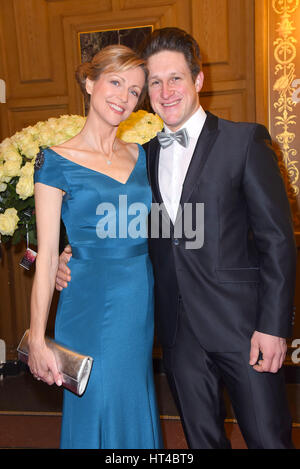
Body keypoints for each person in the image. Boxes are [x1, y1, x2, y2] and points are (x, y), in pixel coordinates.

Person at [56, 28, 297, 449]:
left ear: (198, 80)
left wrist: (273, 327)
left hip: (245, 330)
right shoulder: (140, 157)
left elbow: (277, 240)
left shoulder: (244, 141)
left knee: (268, 440)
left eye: (176, 78)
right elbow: (123, 226)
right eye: (154, 82)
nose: (165, 91)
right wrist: (68, 254)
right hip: (178, 332)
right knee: (200, 442)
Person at [28, 44, 163, 449]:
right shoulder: (54, 160)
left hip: (138, 295)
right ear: (89, 82)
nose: (124, 97)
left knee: (132, 393)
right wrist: (37, 337)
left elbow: (160, 227)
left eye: (135, 90)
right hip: (87, 300)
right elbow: (46, 254)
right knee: (96, 400)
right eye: (116, 82)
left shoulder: (143, 156)